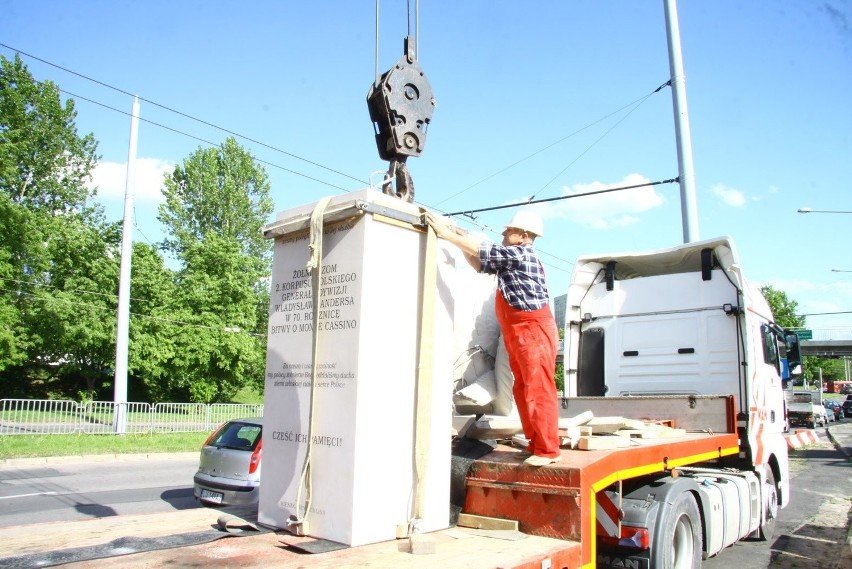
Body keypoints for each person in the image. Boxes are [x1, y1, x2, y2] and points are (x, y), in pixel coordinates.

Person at [426, 210, 561, 466]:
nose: (503, 233)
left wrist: (446, 233)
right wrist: (457, 237)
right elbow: (479, 262)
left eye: (508, 230)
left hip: (533, 330)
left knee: (538, 388)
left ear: (523, 235)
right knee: (522, 388)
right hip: (520, 331)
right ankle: (535, 443)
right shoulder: (510, 257)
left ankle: (548, 450)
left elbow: (484, 250)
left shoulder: (521, 254)